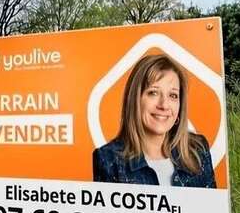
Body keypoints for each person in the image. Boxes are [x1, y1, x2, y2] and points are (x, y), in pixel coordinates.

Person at [92, 53, 216, 187]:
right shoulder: (108, 159)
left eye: (173, 95)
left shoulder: (198, 149)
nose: (164, 105)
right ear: (135, 99)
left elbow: (213, 207)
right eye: (153, 93)